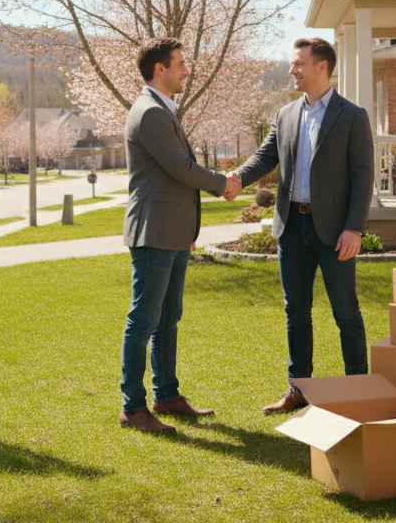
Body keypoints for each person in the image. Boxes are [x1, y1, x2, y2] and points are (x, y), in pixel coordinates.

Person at [229, 37, 374, 413]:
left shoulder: (352, 115)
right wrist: (235, 179)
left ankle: (359, 388)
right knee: (296, 311)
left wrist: (354, 228)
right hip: (291, 227)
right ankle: (299, 388)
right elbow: (265, 157)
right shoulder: (286, 114)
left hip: (335, 231)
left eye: (298, 64)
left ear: (322, 66)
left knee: (346, 311)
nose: (292, 70)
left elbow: (363, 176)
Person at [119, 37, 242, 432]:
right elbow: (182, 169)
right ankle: (133, 407)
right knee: (145, 319)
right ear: (160, 68)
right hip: (154, 232)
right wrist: (224, 182)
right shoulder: (150, 113)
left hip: (171, 232)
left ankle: (166, 395)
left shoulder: (161, 110)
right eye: (180, 63)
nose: (187, 70)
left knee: (169, 317)